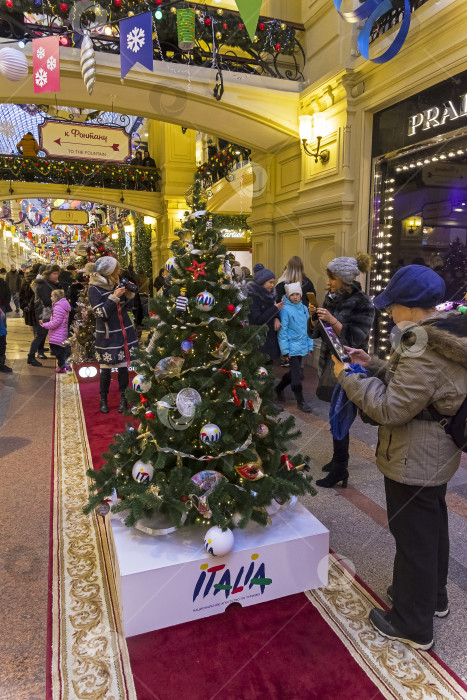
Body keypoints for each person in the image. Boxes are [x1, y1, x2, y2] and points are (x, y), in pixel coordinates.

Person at [332, 265, 467, 651]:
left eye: (393, 306)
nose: (389, 312)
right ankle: (432, 600)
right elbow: (417, 384)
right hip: (436, 454)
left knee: (413, 538)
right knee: (431, 528)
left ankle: (412, 622)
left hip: (415, 455)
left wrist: (348, 375)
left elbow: (392, 409)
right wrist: (371, 362)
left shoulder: (419, 344)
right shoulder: (446, 333)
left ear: (409, 307)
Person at [308, 253, 374, 488]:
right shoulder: (331, 298)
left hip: (349, 365)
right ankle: (338, 459)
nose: (328, 283)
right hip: (330, 363)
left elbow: (356, 337)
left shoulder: (363, 302)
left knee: (341, 414)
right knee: (334, 413)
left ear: (344, 278)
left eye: (332, 278)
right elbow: (317, 333)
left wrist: (334, 320)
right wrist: (315, 318)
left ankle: (340, 467)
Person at [86, 256, 138, 414]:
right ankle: (103, 400)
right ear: (109, 271)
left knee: (123, 368)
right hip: (108, 334)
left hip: (124, 331)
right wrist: (114, 297)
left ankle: (123, 399)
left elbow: (127, 306)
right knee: (106, 369)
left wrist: (128, 294)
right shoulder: (94, 288)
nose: (119, 271)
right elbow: (101, 313)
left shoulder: (116, 282)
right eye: (117, 269)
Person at [276, 282, 314, 412]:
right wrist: (285, 350)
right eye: (292, 295)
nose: (295, 297)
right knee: (297, 377)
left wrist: (310, 345)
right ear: (288, 295)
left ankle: (279, 388)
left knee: (295, 373)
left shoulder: (304, 308)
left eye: (298, 294)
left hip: (302, 346)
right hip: (292, 348)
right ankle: (300, 401)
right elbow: (283, 331)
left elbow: (309, 328)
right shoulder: (285, 310)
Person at [276, 256, 316, 367]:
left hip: (285, 314)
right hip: (302, 315)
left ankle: (285, 357)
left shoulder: (282, 283)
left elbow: (276, 299)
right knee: (300, 336)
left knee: (284, 333)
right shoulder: (307, 282)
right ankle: (298, 366)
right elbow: (313, 298)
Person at [247, 264, 284, 362]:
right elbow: (258, 319)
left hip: (270, 337)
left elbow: (273, 312)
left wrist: (277, 318)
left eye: (273, 282)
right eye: (270, 282)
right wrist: (275, 308)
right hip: (259, 340)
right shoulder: (253, 297)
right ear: (262, 282)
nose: (272, 285)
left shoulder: (270, 295)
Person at [28, 265, 62, 366]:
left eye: (57, 274)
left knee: (47, 334)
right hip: (44, 314)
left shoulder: (50, 284)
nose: (56, 276)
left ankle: (57, 353)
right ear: (48, 274)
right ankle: (31, 357)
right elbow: (47, 300)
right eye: (54, 274)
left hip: (49, 313)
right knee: (40, 335)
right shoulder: (44, 285)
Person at [39, 289, 71, 374]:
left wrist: (44, 325)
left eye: (52, 296)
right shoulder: (62, 305)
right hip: (61, 333)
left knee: (58, 352)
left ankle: (62, 367)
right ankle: (65, 365)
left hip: (57, 334)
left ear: (56, 297)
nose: (51, 297)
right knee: (62, 351)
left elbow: (55, 323)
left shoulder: (58, 307)